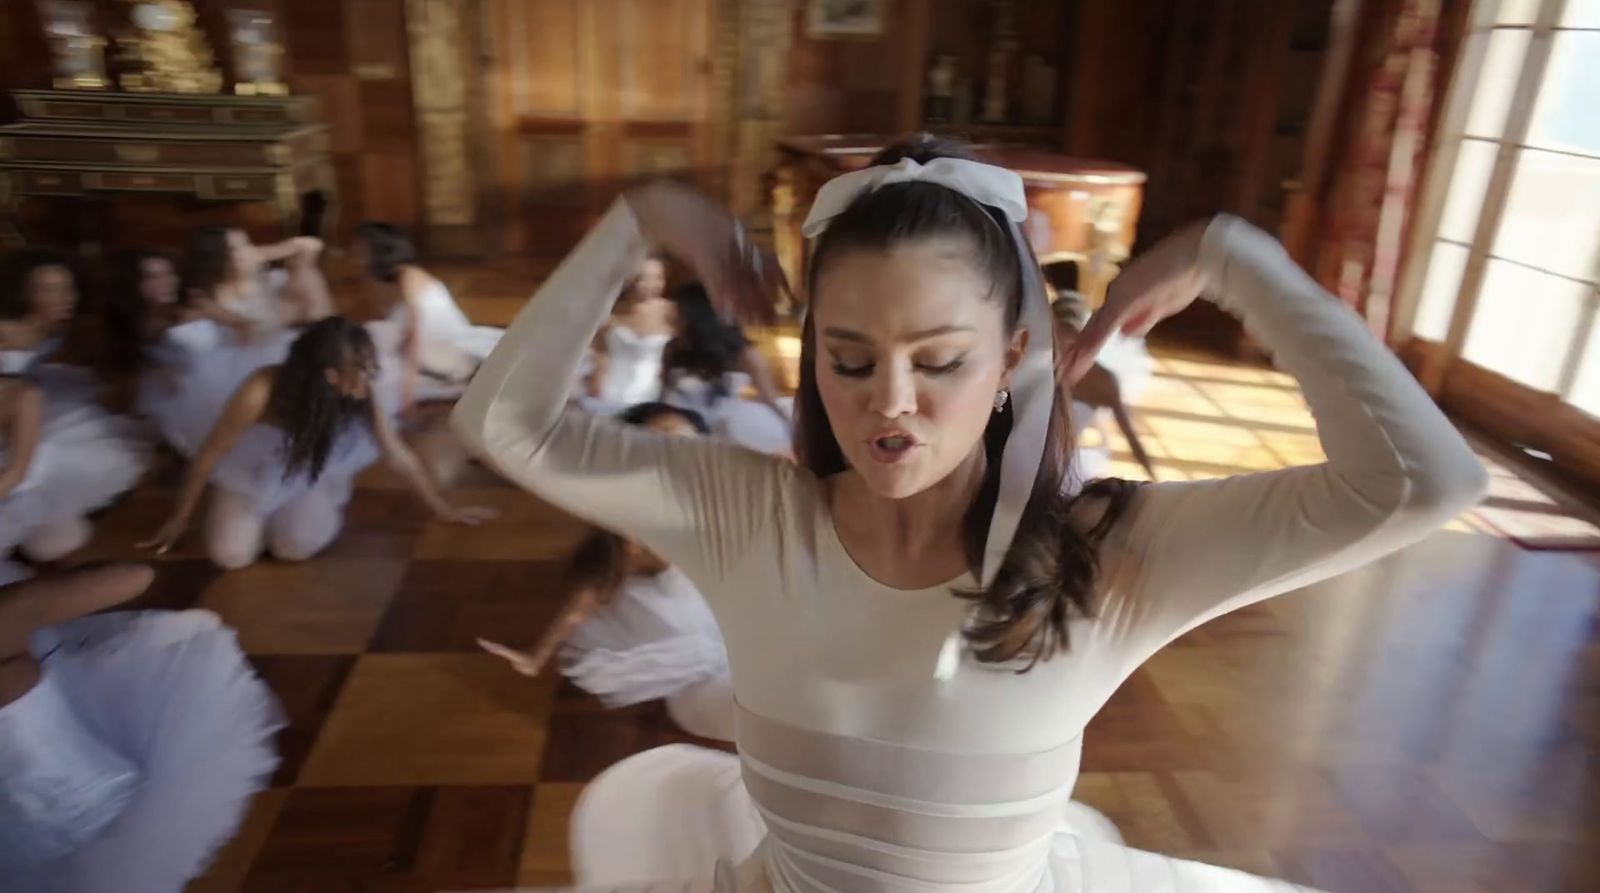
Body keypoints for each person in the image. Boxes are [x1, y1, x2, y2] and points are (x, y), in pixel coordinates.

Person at [452, 136, 1486, 891]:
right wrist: (638, 219)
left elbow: (1422, 481)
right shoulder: (748, 515)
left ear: (1009, 361)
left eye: (938, 360)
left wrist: (1234, 259)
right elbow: (507, 423)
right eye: (849, 359)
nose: (889, 402)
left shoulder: (1109, 555)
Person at [0, 562, 282, 893]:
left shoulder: (11, 609)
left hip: (79, 815)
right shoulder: (12, 608)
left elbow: (135, 578)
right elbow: (137, 577)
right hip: (86, 807)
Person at [141, 317, 493, 569]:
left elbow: (397, 455)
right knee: (230, 557)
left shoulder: (361, 389)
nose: (368, 377)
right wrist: (179, 517)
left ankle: (321, 497)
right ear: (330, 375)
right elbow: (210, 454)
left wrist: (445, 510)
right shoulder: (261, 390)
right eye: (359, 369)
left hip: (308, 468)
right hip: (250, 468)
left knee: (294, 547)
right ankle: (245, 515)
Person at [478, 401, 734, 742]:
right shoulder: (639, 524)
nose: (678, 451)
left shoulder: (721, 489)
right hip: (682, 616)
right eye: (662, 442)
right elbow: (595, 589)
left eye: (686, 440)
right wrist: (536, 655)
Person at [1, 253, 152, 562]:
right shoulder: (6, 329)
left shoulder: (68, 333)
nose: (62, 298)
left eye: (67, 288)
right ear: (23, 292)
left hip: (39, 400)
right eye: (47, 288)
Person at [354, 221, 503, 410]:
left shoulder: (408, 273)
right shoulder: (373, 283)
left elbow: (414, 328)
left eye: (361, 245)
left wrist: (406, 389)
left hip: (444, 342)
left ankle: (458, 378)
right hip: (415, 348)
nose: (356, 251)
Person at [661, 282, 793, 455]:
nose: (672, 317)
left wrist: (791, 431)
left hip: (722, 431)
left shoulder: (743, 353)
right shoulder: (673, 349)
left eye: (678, 312)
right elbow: (663, 393)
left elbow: (769, 397)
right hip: (678, 430)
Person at [185, 225, 332, 330]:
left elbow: (312, 245)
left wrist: (263, 254)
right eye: (235, 248)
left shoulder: (272, 280)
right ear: (218, 257)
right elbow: (250, 325)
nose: (248, 251)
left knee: (308, 275)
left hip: (293, 329)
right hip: (258, 343)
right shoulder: (207, 298)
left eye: (247, 244)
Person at [581, 253, 674, 411]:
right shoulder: (610, 312)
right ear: (629, 279)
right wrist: (596, 387)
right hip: (611, 388)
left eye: (658, 278)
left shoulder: (672, 313)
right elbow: (602, 355)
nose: (651, 285)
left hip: (654, 392)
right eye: (643, 278)